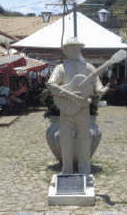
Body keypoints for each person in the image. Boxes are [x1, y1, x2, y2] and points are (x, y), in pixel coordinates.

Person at [47, 37, 109, 175]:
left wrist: (100, 89)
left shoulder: (89, 68)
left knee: (85, 139)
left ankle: (84, 169)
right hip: (66, 109)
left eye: (78, 48)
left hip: (83, 109)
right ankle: (67, 169)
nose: (75, 50)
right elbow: (51, 84)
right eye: (71, 48)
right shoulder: (60, 68)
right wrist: (68, 95)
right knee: (65, 139)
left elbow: (96, 82)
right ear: (65, 51)